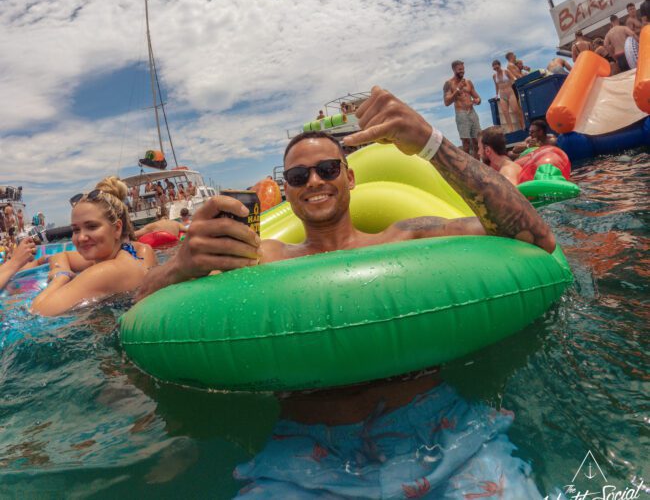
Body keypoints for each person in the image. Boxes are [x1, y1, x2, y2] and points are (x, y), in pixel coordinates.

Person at [137, 87, 554, 498]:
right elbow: (141, 310)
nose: (314, 180)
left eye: (328, 169)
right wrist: (180, 265)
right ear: (289, 192)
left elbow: (537, 237)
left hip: (442, 432)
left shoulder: (406, 236)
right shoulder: (262, 258)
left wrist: (432, 143)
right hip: (305, 453)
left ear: (350, 177)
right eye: (299, 177)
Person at [31, 176, 156, 316]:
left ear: (117, 228)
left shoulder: (105, 272)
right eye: (75, 230)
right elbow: (61, 256)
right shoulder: (133, 254)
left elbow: (37, 311)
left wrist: (60, 277)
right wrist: (62, 269)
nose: (81, 237)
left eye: (92, 226)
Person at [443, 60, 481, 156]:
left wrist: (478, 100)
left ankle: (478, 163)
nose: (462, 71)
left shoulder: (468, 82)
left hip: (472, 112)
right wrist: (458, 89)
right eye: (460, 69)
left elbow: (477, 97)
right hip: (461, 113)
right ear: (454, 69)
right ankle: (468, 165)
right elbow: (447, 102)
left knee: (477, 140)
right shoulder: (448, 84)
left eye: (463, 69)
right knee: (466, 142)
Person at [492, 59, 523, 133]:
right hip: (502, 95)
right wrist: (496, 94)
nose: (496, 69)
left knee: (516, 110)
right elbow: (496, 85)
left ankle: (523, 125)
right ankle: (511, 129)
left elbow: (514, 79)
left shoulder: (506, 71)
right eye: (494, 68)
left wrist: (513, 86)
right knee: (505, 112)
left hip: (510, 93)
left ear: (500, 65)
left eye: (497, 67)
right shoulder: (494, 76)